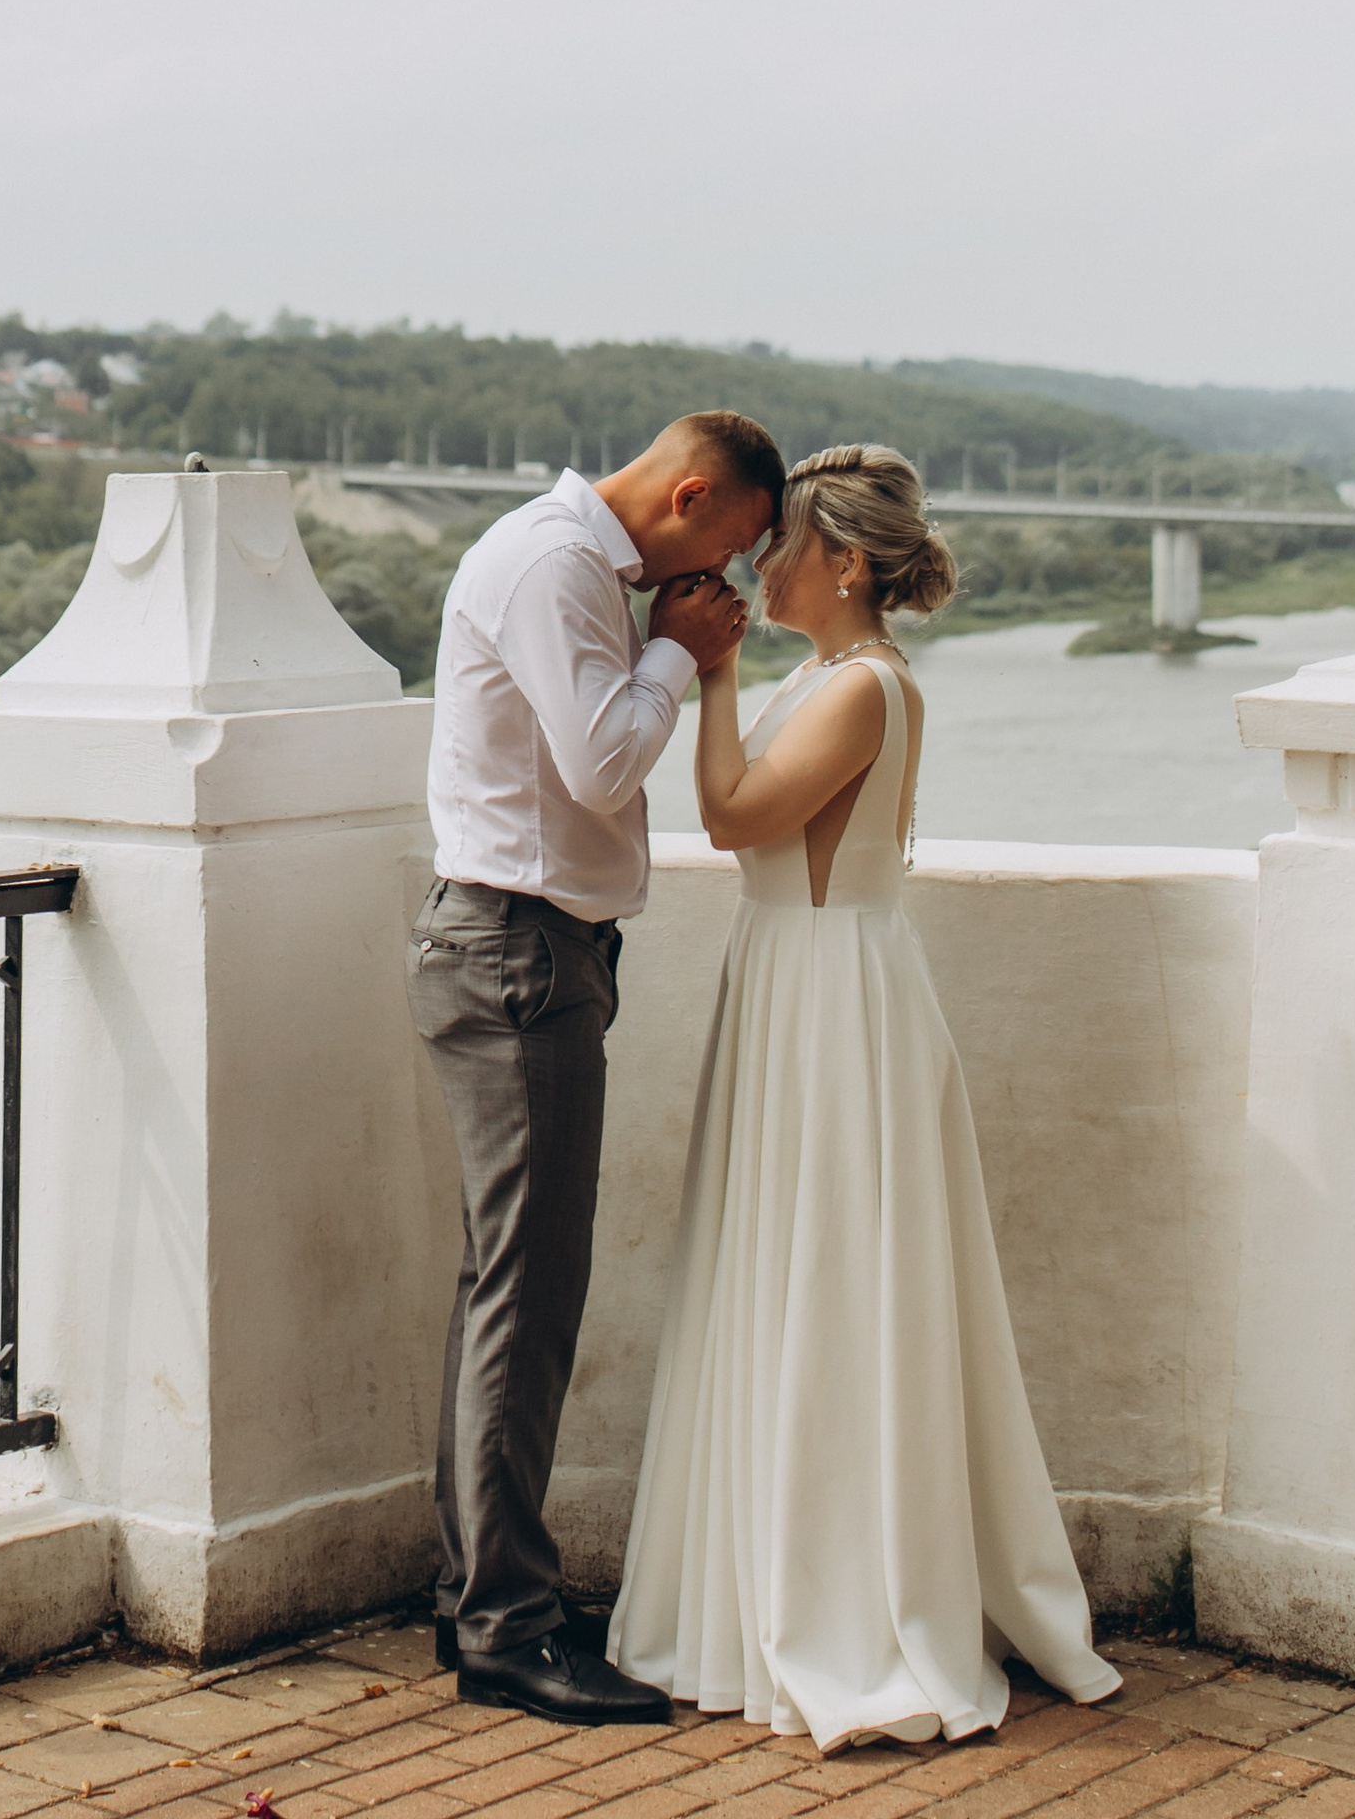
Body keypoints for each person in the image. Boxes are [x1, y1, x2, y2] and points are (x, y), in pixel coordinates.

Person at [608, 443, 1121, 1750]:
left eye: (780, 548)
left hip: (833, 998)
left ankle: (846, 1600)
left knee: (836, 1279)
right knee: (778, 1269)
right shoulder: (828, 676)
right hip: (793, 979)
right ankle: (764, 1579)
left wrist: (708, 671)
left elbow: (728, 817)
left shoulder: (862, 690)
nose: (754, 564)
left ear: (841, 562)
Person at [412, 411, 784, 1725]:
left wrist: (664, 631)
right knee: (531, 1293)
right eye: (723, 550)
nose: (718, 586)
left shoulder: (575, 565)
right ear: (687, 494)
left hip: (530, 950)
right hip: (517, 954)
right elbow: (604, 758)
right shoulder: (559, 568)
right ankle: (509, 1628)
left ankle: (478, 1601)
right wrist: (679, 656)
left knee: (498, 1285)